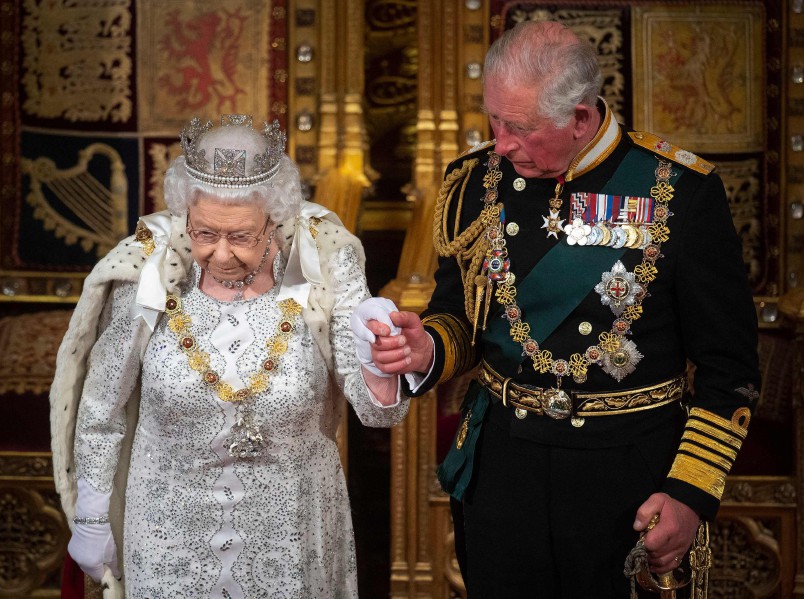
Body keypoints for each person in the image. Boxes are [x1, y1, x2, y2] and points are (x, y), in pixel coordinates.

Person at [351, 20, 760, 598]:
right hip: (503, 468)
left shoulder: (680, 191)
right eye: (494, 120)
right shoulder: (475, 181)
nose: (501, 143)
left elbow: (730, 373)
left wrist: (690, 493)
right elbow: (458, 317)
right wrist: (429, 348)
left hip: (628, 473)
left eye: (519, 127)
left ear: (581, 119)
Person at [50, 114, 409, 598]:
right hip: (166, 531)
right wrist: (92, 516)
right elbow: (101, 407)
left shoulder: (323, 263)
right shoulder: (149, 267)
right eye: (204, 233)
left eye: (240, 236)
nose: (221, 254)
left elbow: (377, 412)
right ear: (186, 215)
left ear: (273, 219)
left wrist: (382, 359)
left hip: (291, 530)